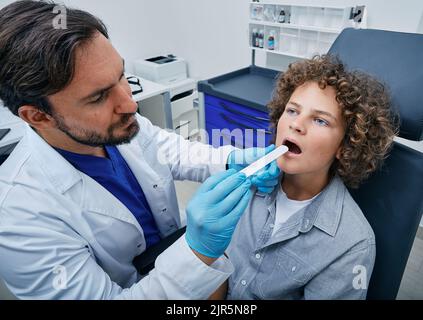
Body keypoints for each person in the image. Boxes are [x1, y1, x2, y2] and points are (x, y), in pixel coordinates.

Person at [0, 1, 280, 299]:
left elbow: (168, 149)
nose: (130, 104)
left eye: (121, 75)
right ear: (38, 116)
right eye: (98, 97)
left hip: (173, 250)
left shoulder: (118, 123)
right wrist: (197, 254)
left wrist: (230, 159)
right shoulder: (18, 217)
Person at [220, 55, 398, 299]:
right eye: (292, 110)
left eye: (320, 120)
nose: (296, 124)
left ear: (345, 146)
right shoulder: (249, 182)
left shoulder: (351, 245)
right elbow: (220, 261)